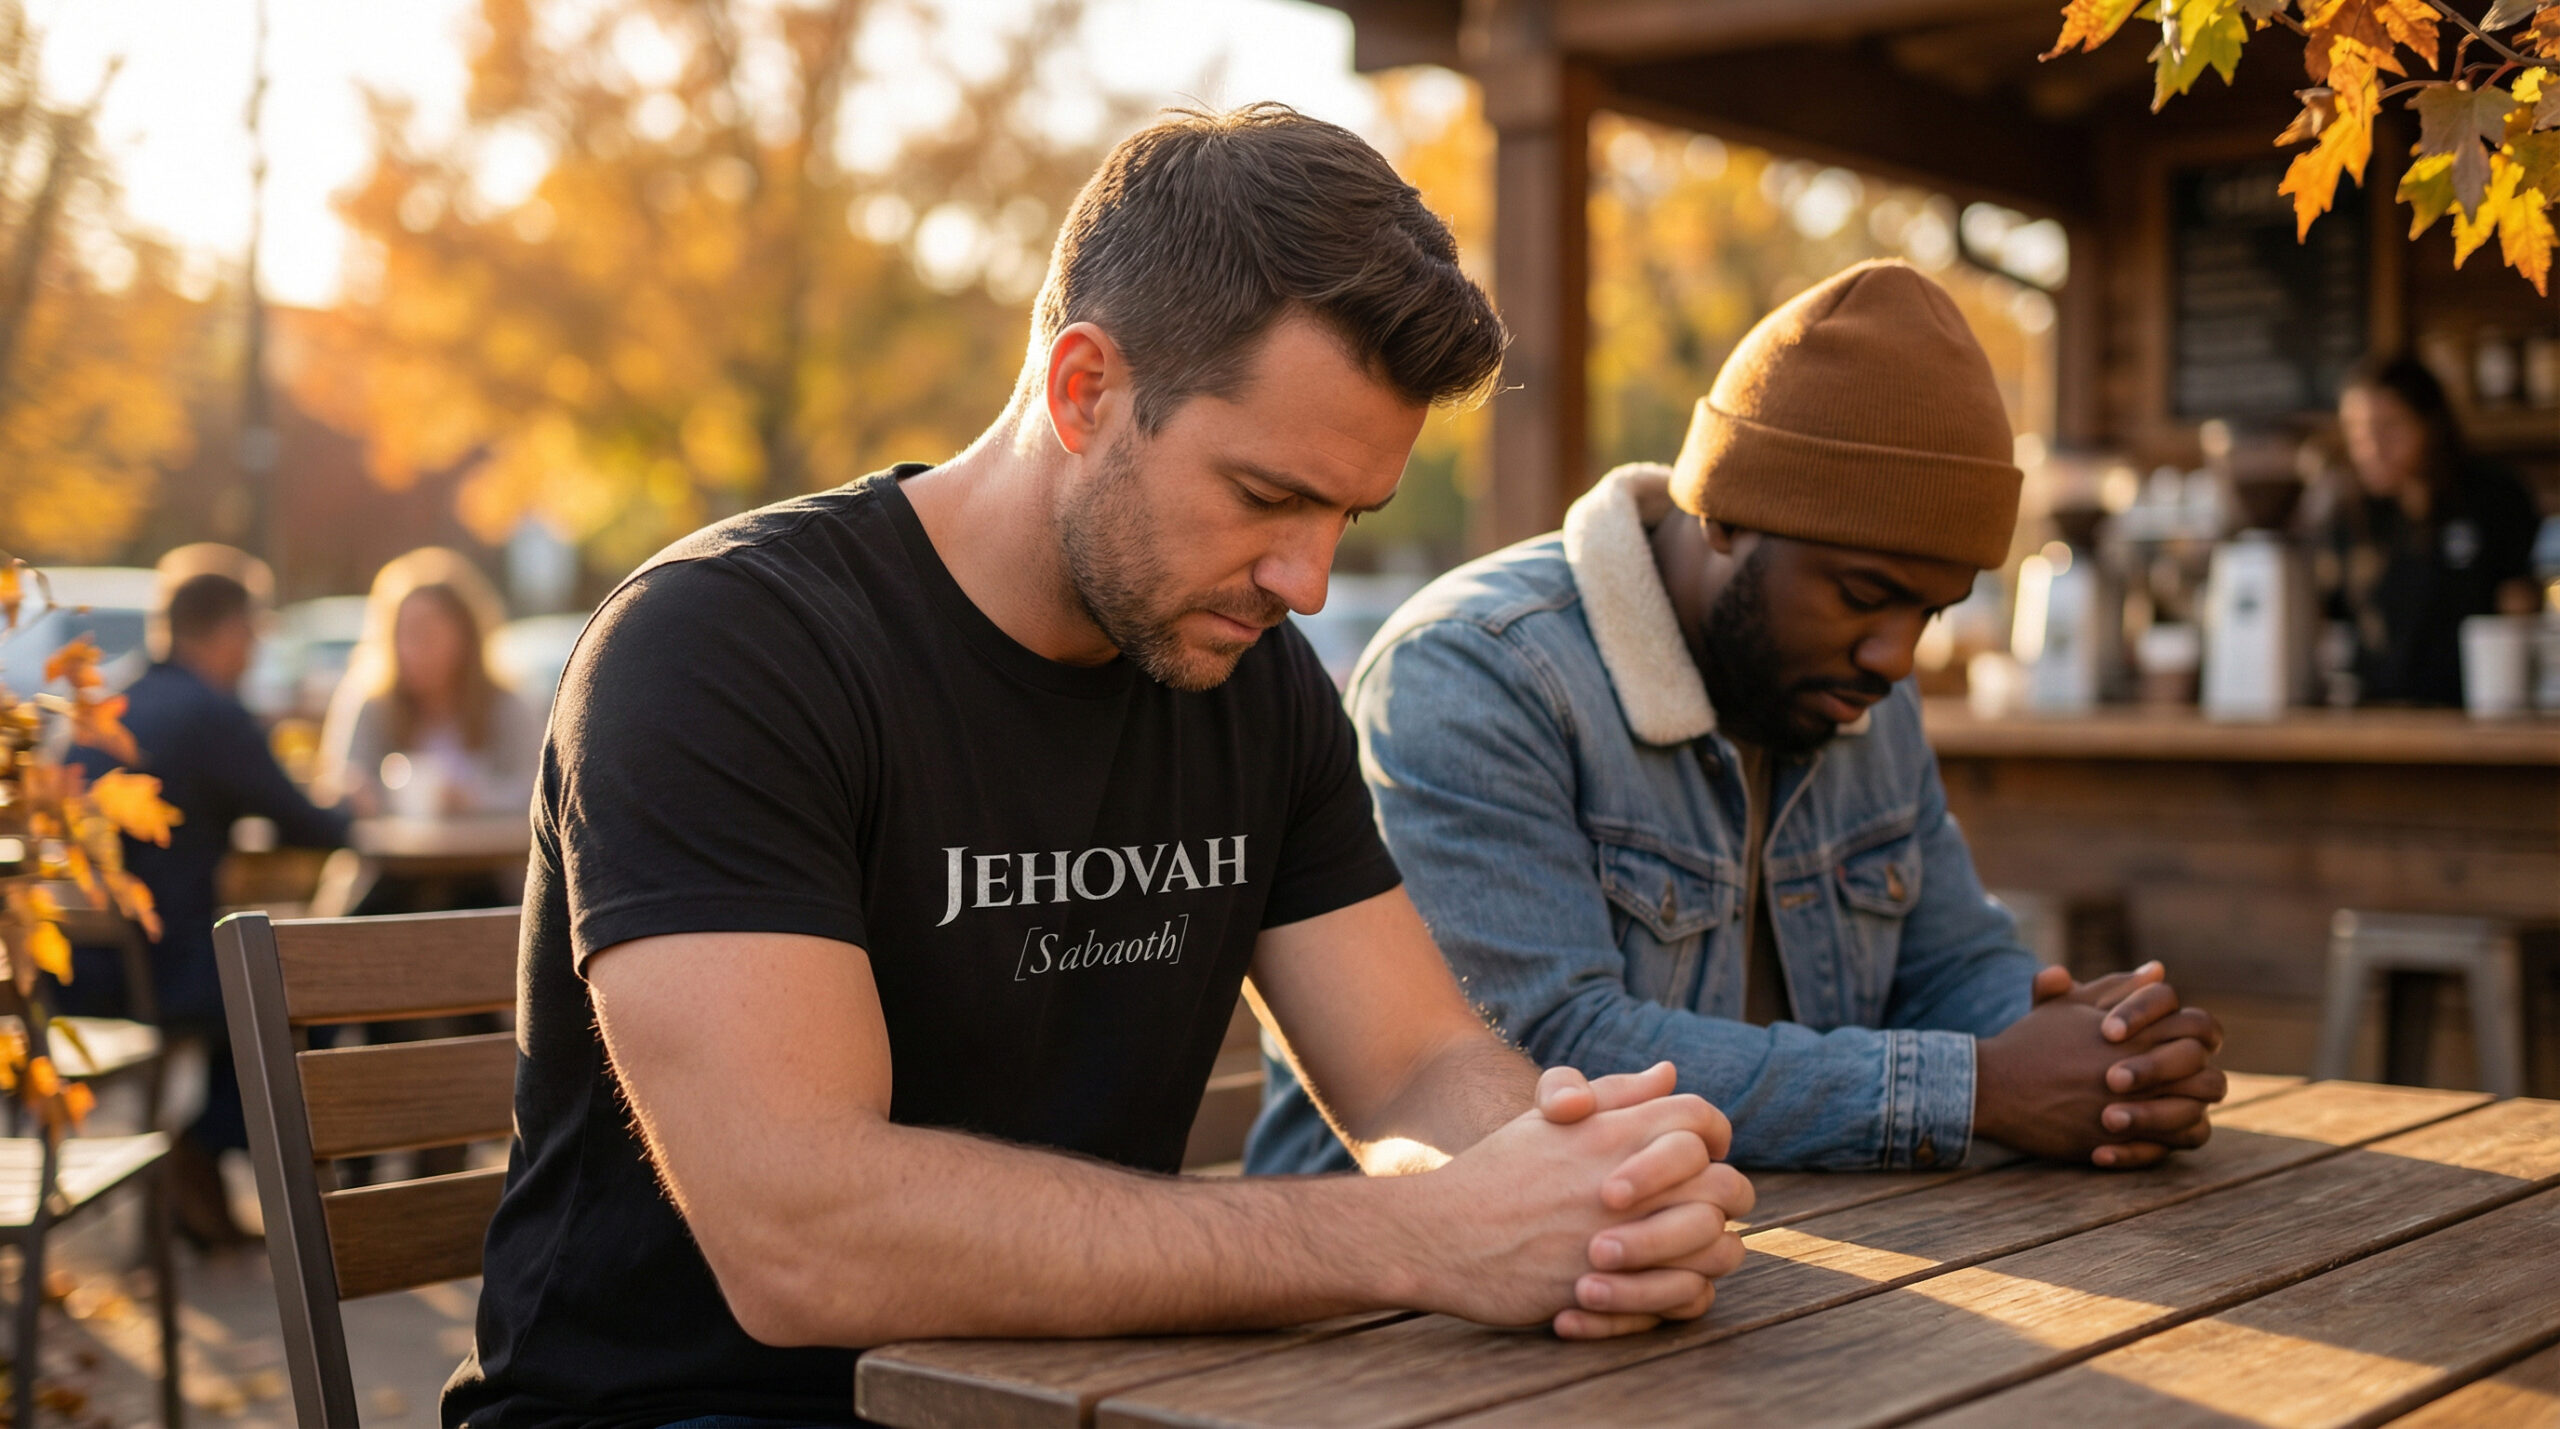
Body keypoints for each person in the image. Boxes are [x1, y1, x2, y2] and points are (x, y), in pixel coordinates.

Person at [447, 105, 1754, 1429]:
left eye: (1346, 517)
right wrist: (1422, 1237)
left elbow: (1413, 1067)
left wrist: (1593, 1185)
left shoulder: (1246, 676)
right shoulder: (722, 652)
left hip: (1076, 1399)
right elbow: (802, 1236)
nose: (1306, 581)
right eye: (1265, 496)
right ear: (1084, 390)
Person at [1249, 260, 2229, 1179]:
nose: (1896, 655)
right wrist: (1978, 1088)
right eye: (1862, 594)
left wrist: (2104, 1056)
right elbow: (1551, 1057)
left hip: (1762, 1255)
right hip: (1398, 1306)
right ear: (1721, 514)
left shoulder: (1844, 688)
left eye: (1927, 613)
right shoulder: (1473, 673)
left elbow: (1951, 966)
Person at [68, 562, 350, 1243]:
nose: (253, 651)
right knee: (317, 989)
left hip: (85, 962)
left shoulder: (113, 705)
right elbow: (311, 825)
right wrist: (351, 804)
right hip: (164, 962)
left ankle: (199, 1175)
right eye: (252, 633)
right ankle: (199, 1149)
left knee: (255, 971)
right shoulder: (211, 713)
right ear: (229, 631)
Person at [316, 548, 540, 909]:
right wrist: (355, 793)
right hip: (389, 873)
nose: (414, 648)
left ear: (465, 635)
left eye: (428, 632)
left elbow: (538, 793)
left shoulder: (507, 705)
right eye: (405, 633)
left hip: (489, 871)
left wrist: (473, 798)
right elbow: (340, 785)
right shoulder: (371, 702)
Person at [2317, 355, 2541, 707]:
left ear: (2431, 424)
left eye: (2389, 428)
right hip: (2376, 720)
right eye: (2357, 432)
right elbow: (2334, 619)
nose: (2371, 449)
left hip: (2478, 718)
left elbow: (2522, 603)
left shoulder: (2492, 495)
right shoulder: (2350, 512)